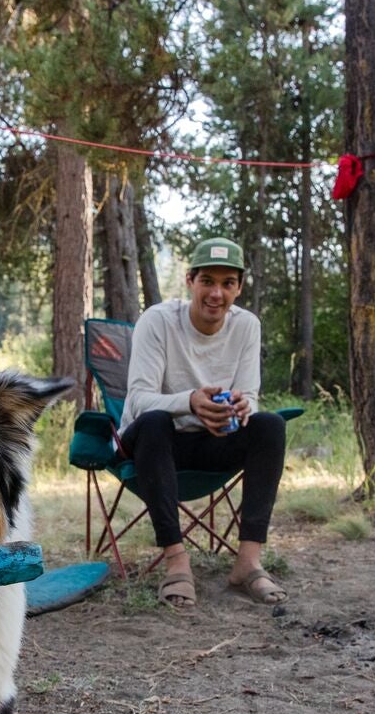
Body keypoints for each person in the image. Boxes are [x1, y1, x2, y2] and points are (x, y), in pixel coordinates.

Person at [119, 236, 288, 608]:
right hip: (157, 446)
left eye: (228, 283)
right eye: (207, 281)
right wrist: (191, 402)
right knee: (154, 421)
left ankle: (248, 562)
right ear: (189, 281)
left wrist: (242, 407)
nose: (217, 293)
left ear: (239, 288)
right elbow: (137, 400)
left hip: (212, 442)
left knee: (270, 425)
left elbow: (251, 395)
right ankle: (177, 561)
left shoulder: (247, 326)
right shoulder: (159, 320)